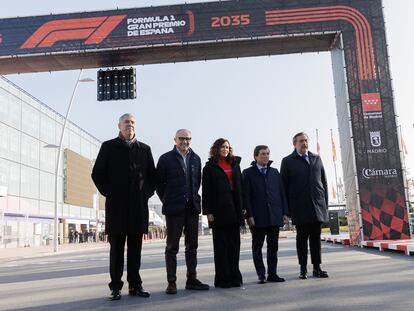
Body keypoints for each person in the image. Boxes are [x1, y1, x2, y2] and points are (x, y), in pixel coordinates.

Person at [91, 113, 156, 300]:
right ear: (119, 126)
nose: (130, 125)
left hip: (138, 207)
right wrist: (110, 192)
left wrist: (145, 194)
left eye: (133, 122)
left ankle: (136, 285)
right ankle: (116, 287)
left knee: (136, 250)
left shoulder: (144, 149)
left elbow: (153, 177)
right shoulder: (108, 147)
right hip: (116, 207)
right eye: (126, 122)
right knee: (117, 251)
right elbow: (97, 174)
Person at [156, 129, 210, 294]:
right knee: (172, 247)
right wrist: (167, 199)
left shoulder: (196, 158)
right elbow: (159, 184)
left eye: (188, 139)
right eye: (181, 138)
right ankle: (171, 282)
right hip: (174, 209)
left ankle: (191, 279)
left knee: (192, 246)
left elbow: (197, 182)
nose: (185, 141)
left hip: (192, 208)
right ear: (175, 139)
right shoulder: (165, 158)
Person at [280, 132, 329, 280]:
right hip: (299, 207)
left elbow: (324, 183)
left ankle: (317, 268)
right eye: (301, 141)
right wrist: (286, 210)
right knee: (301, 239)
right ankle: (303, 269)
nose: (304, 143)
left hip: (317, 207)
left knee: (315, 239)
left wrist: (324, 205)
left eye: (306, 140)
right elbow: (284, 187)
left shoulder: (316, 158)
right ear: (294, 144)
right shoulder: (288, 161)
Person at [202, 138, 245, 288]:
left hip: (234, 210)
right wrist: (208, 212)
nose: (225, 149)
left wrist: (243, 207)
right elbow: (206, 191)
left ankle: (235, 278)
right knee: (221, 247)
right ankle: (222, 279)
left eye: (227, 147)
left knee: (234, 246)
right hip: (219, 212)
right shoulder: (209, 167)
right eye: (222, 147)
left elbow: (241, 187)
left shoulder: (235, 165)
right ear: (216, 148)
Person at [242, 145, 289, 284]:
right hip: (257, 217)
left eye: (268, 154)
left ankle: (272, 274)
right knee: (257, 247)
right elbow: (246, 196)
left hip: (274, 216)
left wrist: (285, 212)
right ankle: (261, 274)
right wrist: (249, 215)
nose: (266, 156)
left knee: (273, 246)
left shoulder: (275, 172)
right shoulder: (248, 173)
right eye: (263, 154)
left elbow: (282, 193)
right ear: (256, 156)